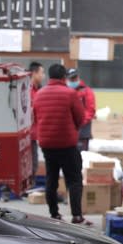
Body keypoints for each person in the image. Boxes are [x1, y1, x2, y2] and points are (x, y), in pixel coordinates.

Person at [32, 64, 92, 225]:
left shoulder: (39, 94)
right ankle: (77, 215)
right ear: (63, 77)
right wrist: (72, 129)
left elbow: (35, 117)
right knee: (74, 179)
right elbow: (80, 118)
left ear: (50, 77)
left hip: (47, 144)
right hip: (67, 143)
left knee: (51, 178)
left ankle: (54, 214)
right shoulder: (70, 94)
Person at [66, 68, 96, 151]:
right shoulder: (65, 91)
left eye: (75, 78)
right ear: (67, 79)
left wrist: (79, 122)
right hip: (67, 132)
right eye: (71, 79)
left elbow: (90, 110)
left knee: (82, 157)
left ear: (78, 77)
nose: (74, 80)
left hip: (83, 132)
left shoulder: (87, 91)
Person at [28, 62, 46, 178]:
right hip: (26, 135)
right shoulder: (26, 90)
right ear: (34, 73)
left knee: (33, 164)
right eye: (41, 73)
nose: (43, 76)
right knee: (29, 164)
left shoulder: (38, 90)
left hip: (34, 134)